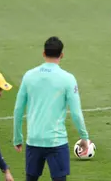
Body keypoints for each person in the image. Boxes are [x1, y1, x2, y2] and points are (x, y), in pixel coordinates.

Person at [13, 36, 90, 181]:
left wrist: (17, 137)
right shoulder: (68, 78)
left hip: (33, 139)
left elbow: (18, 109)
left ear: (43, 53)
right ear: (62, 55)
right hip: (56, 141)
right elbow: (76, 113)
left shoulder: (29, 76)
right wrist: (84, 137)